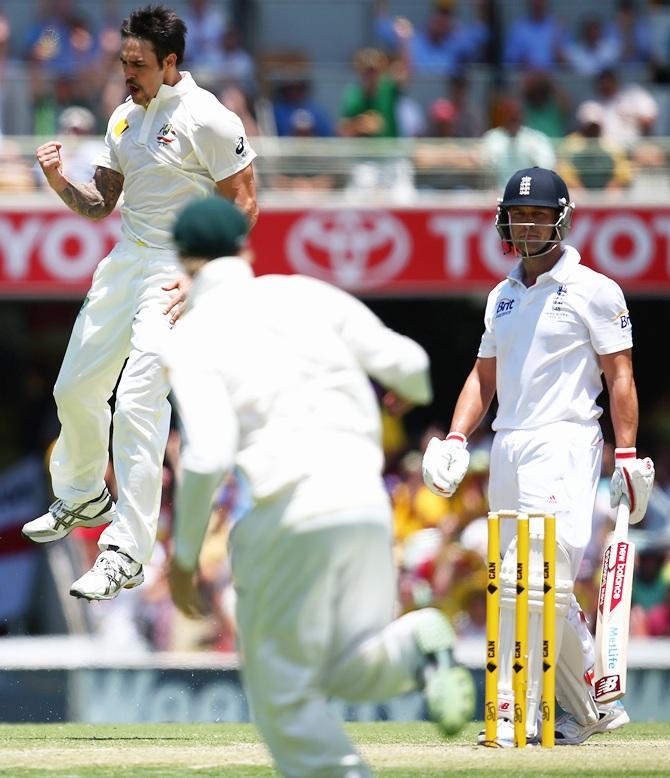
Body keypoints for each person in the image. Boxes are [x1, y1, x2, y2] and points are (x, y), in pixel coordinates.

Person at [164, 196, 475, 777]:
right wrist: (404, 389)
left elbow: (205, 455)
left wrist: (182, 560)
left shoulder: (193, 333)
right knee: (346, 667)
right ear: (246, 249)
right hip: (363, 505)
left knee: (283, 701)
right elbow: (410, 364)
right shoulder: (304, 292)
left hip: (289, 513)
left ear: (184, 262)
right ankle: (415, 644)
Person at [21, 5, 258, 602]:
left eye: (139, 64)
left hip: (179, 271)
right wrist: (56, 183)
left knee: (138, 402)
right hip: (125, 260)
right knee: (73, 388)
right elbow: (102, 204)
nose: (127, 73)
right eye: (123, 62)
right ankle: (81, 496)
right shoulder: (124, 117)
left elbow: (246, 203)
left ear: (170, 61)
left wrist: (203, 276)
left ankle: (126, 550)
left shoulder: (209, 117)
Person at [421, 166, 654, 746]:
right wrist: (455, 438)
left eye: (537, 215)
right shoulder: (501, 296)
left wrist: (626, 453)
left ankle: (553, 706)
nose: (526, 225)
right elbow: (484, 375)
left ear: (560, 219)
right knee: (513, 587)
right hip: (509, 443)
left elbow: (619, 375)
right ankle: (585, 708)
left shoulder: (595, 290)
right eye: (517, 214)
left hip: (566, 441)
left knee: (542, 582)